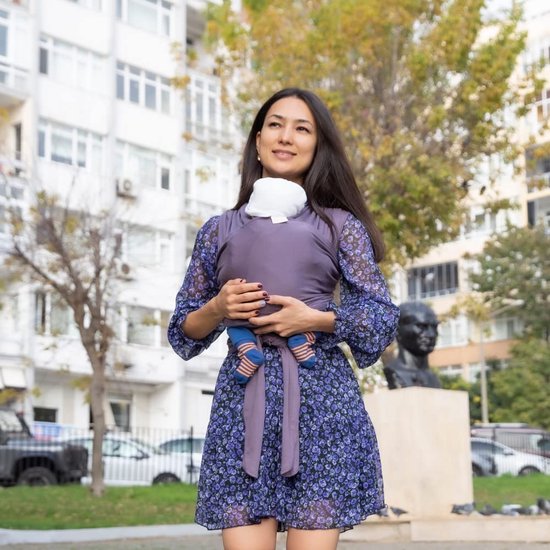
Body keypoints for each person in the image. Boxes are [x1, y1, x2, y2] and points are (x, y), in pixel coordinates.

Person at [168, 88, 400, 550]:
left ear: (318, 145)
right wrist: (218, 309)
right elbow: (182, 332)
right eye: (275, 124)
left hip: (321, 406)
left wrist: (315, 318)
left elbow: (380, 318)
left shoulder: (340, 227)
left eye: (302, 128)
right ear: (257, 141)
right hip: (243, 404)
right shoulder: (218, 229)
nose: (286, 137)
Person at [223, 176, 322, 384]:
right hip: (295, 308)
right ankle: (303, 339)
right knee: (322, 306)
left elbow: (227, 267)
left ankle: (247, 349)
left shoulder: (235, 232)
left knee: (234, 325)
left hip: (250, 307)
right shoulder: (307, 232)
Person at [383, 301, 442, 390]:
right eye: (421, 327)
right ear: (398, 331)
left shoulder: (434, 379)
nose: (431, 335)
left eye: (434, 327)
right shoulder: (394, 372)